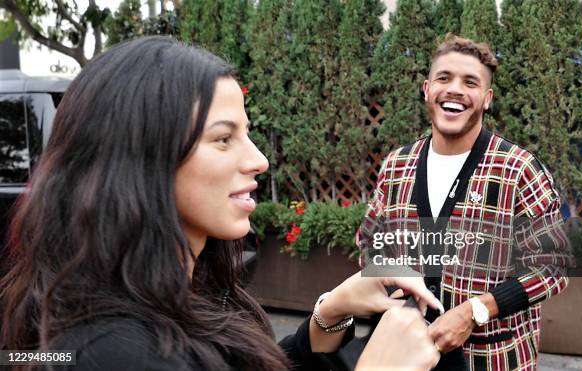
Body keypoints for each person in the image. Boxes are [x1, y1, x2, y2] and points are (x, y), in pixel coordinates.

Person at [0, 36, 443, 371]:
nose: (259, 160)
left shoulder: (188, 293)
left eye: (246, 134)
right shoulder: (114, 351)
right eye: (223, 139)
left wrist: (329, 314)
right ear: (142, 157)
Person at [357, 34, 573, 370]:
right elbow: (370, 242)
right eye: (444, 78)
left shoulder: (518, 170)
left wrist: (476, 310)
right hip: (405, 355)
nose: (455, 89)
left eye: (469, 82)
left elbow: (552, 266)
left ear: (486, 99)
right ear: (427, 89)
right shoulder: (397, 165)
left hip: (492, 359)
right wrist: (393, 282)